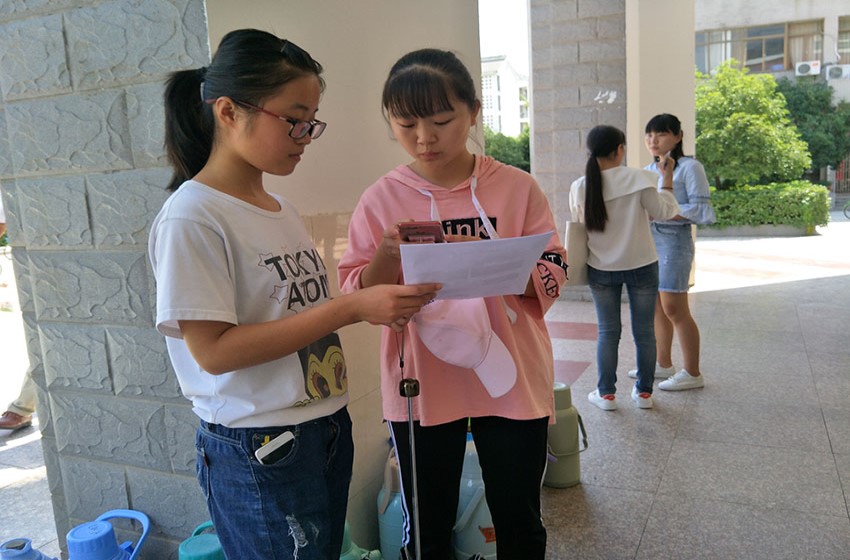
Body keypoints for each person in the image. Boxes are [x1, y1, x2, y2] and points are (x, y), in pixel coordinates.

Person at [148, 29, 440, 560]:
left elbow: (306, 315)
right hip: (260, 444)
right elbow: (213, 352)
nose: (305, 136)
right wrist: (350, 308)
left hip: (322, 428)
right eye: (294, 120)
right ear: (228, 112)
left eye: (312, 122)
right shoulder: (193, 216)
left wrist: (384, 260)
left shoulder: (278, 209)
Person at [338, 48, 567, 560]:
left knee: (519, 520)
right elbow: (357, 293)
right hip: (421, 380)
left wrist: (490, 258)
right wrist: (389, 252)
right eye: (406, 124)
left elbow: (555, 269)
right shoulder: (381, 198)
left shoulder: (517, 188)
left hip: (511, 373)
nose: (425, 138)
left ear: (474, 113)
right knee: (427, 529)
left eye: (441, 121)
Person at [569, 125, 679, 411]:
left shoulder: (580, 186)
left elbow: (579, 225)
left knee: (608, 332)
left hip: (601, 268)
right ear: (620, 149)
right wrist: (667, 180)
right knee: (644, 332)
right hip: (642, 264)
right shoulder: (639, 179)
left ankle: (606, 395)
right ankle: (644, 394)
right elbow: (665, 212)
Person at [629, 113, 716, 391]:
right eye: (649, 134)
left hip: (675, 241)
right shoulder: (647, 170)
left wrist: (665, 212)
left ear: (678, 136)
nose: (653, 140)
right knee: (656, 306)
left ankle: (692, 372)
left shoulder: (690, 167)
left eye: (661, 134)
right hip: (650, 240)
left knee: (674, 307)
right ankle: (663, 364)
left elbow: (702, 210)